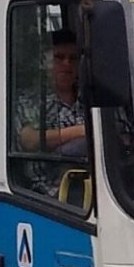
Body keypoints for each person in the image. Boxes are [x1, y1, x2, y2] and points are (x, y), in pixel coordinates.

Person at [16, 28, 85, 196]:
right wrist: (81, 131)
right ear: (44, 62)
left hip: (96, 186)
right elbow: (29, 140)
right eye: (59, 58)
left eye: (73, 59)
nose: (67, 65)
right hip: (47, 194)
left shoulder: (89, 100)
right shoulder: (30, 100)